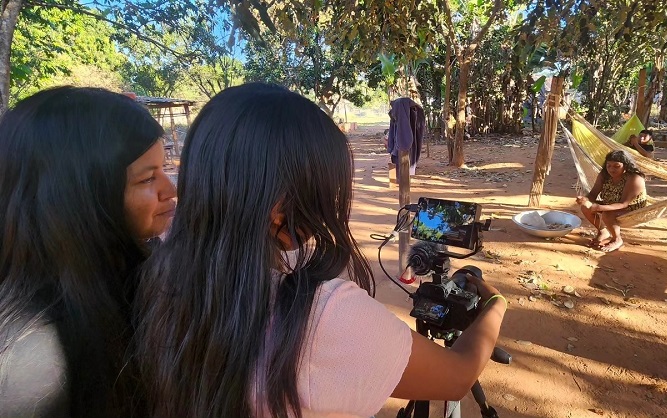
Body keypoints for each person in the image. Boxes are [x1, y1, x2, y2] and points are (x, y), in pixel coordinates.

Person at [134, 83, 507, 418]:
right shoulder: (324, 318)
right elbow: (457, 377)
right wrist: (494, 304)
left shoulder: (161, 268)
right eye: (324, 189)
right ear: (279, 205)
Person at [0, 86, 177, 417]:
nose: (170, 189)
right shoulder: (35, 362)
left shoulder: (130, 274)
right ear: (82, 200)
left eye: (164, 169)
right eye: (147, 179)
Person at [576, 150, 647, 252]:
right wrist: (585, 199)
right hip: (610, 204)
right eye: (608, 166)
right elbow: (593, 194)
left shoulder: (634, 178)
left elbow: (624, 203)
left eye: (616, 166)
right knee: (585, 207)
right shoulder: (604, 175)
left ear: (625, 166)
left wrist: (600, 207)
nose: (611, 169)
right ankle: (603, 231)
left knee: (607, 214)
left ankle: (617, 239)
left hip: (631, 208)